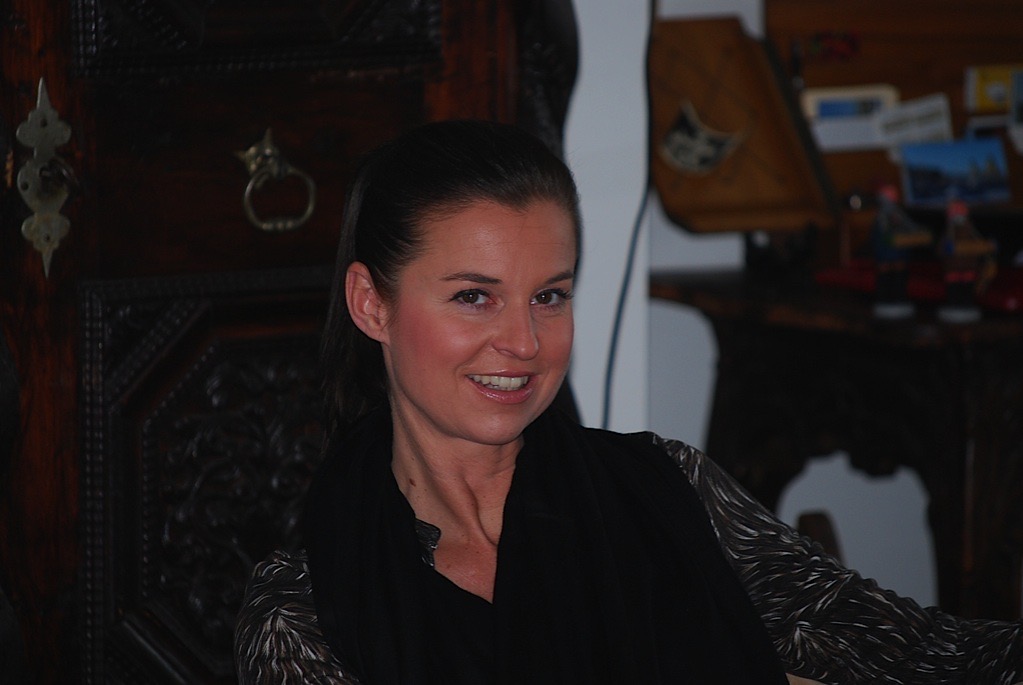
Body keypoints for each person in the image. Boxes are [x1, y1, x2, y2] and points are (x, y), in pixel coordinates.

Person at [234, 119, 1023, 684]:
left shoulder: (665, 488)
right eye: (474, 296)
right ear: (371, 304)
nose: (523, 341)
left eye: (549, 295)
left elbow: (928, 653)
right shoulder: (306, 610)